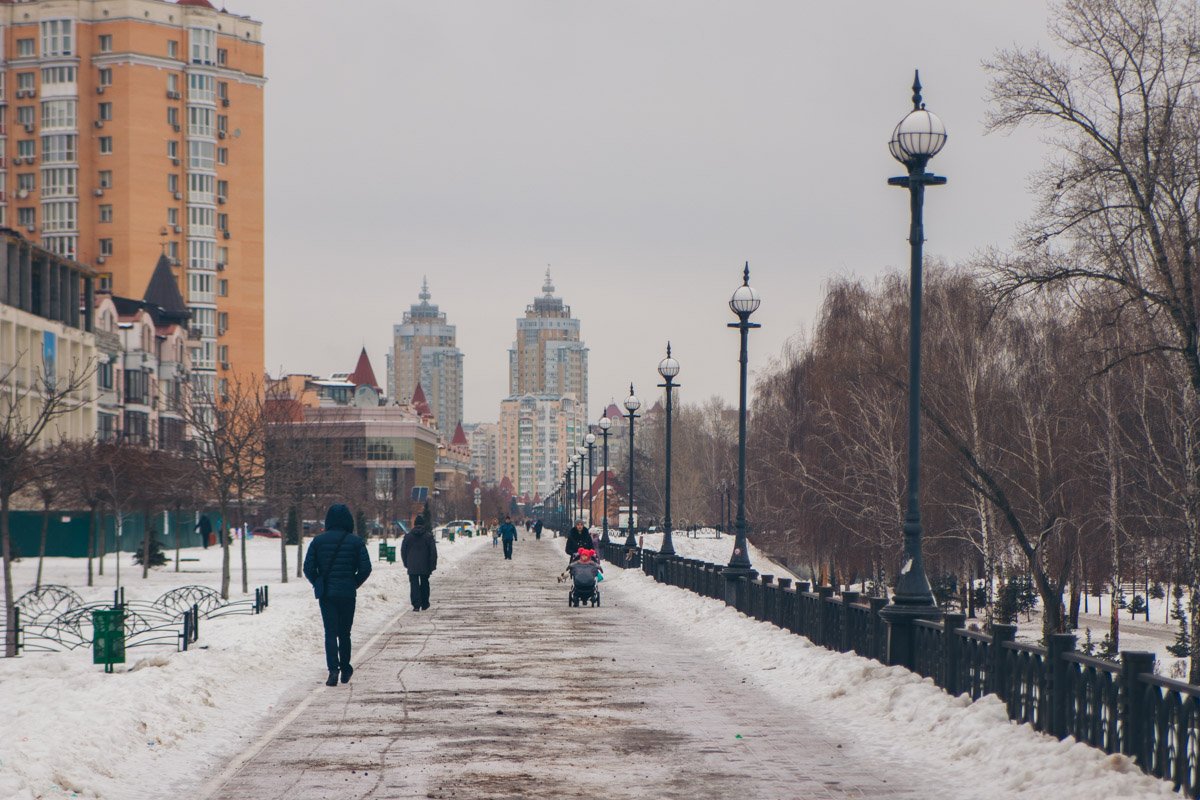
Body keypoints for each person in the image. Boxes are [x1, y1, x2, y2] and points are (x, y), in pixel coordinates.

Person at [303, 504, 372, 687]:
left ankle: (333, 670)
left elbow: (308, 568)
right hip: (348, 594)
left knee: (330, 633)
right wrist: (353, 583)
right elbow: (366, 568)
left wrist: (319, 582)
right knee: (345, 633)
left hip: (327, 594)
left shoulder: (318, 542)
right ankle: (345, 668)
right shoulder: (356, 542)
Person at [402, 514, 438, 612]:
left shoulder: (408, 537)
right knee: (425, 583)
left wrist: (406, 563)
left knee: (414, 585)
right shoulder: (428, 537)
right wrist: (432, 565)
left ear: (414, 524)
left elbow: (403, 551)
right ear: (423, 524)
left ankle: (416, 605)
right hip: (425, 565)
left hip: (412, 565)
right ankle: (425, 604)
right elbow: (433, 552)